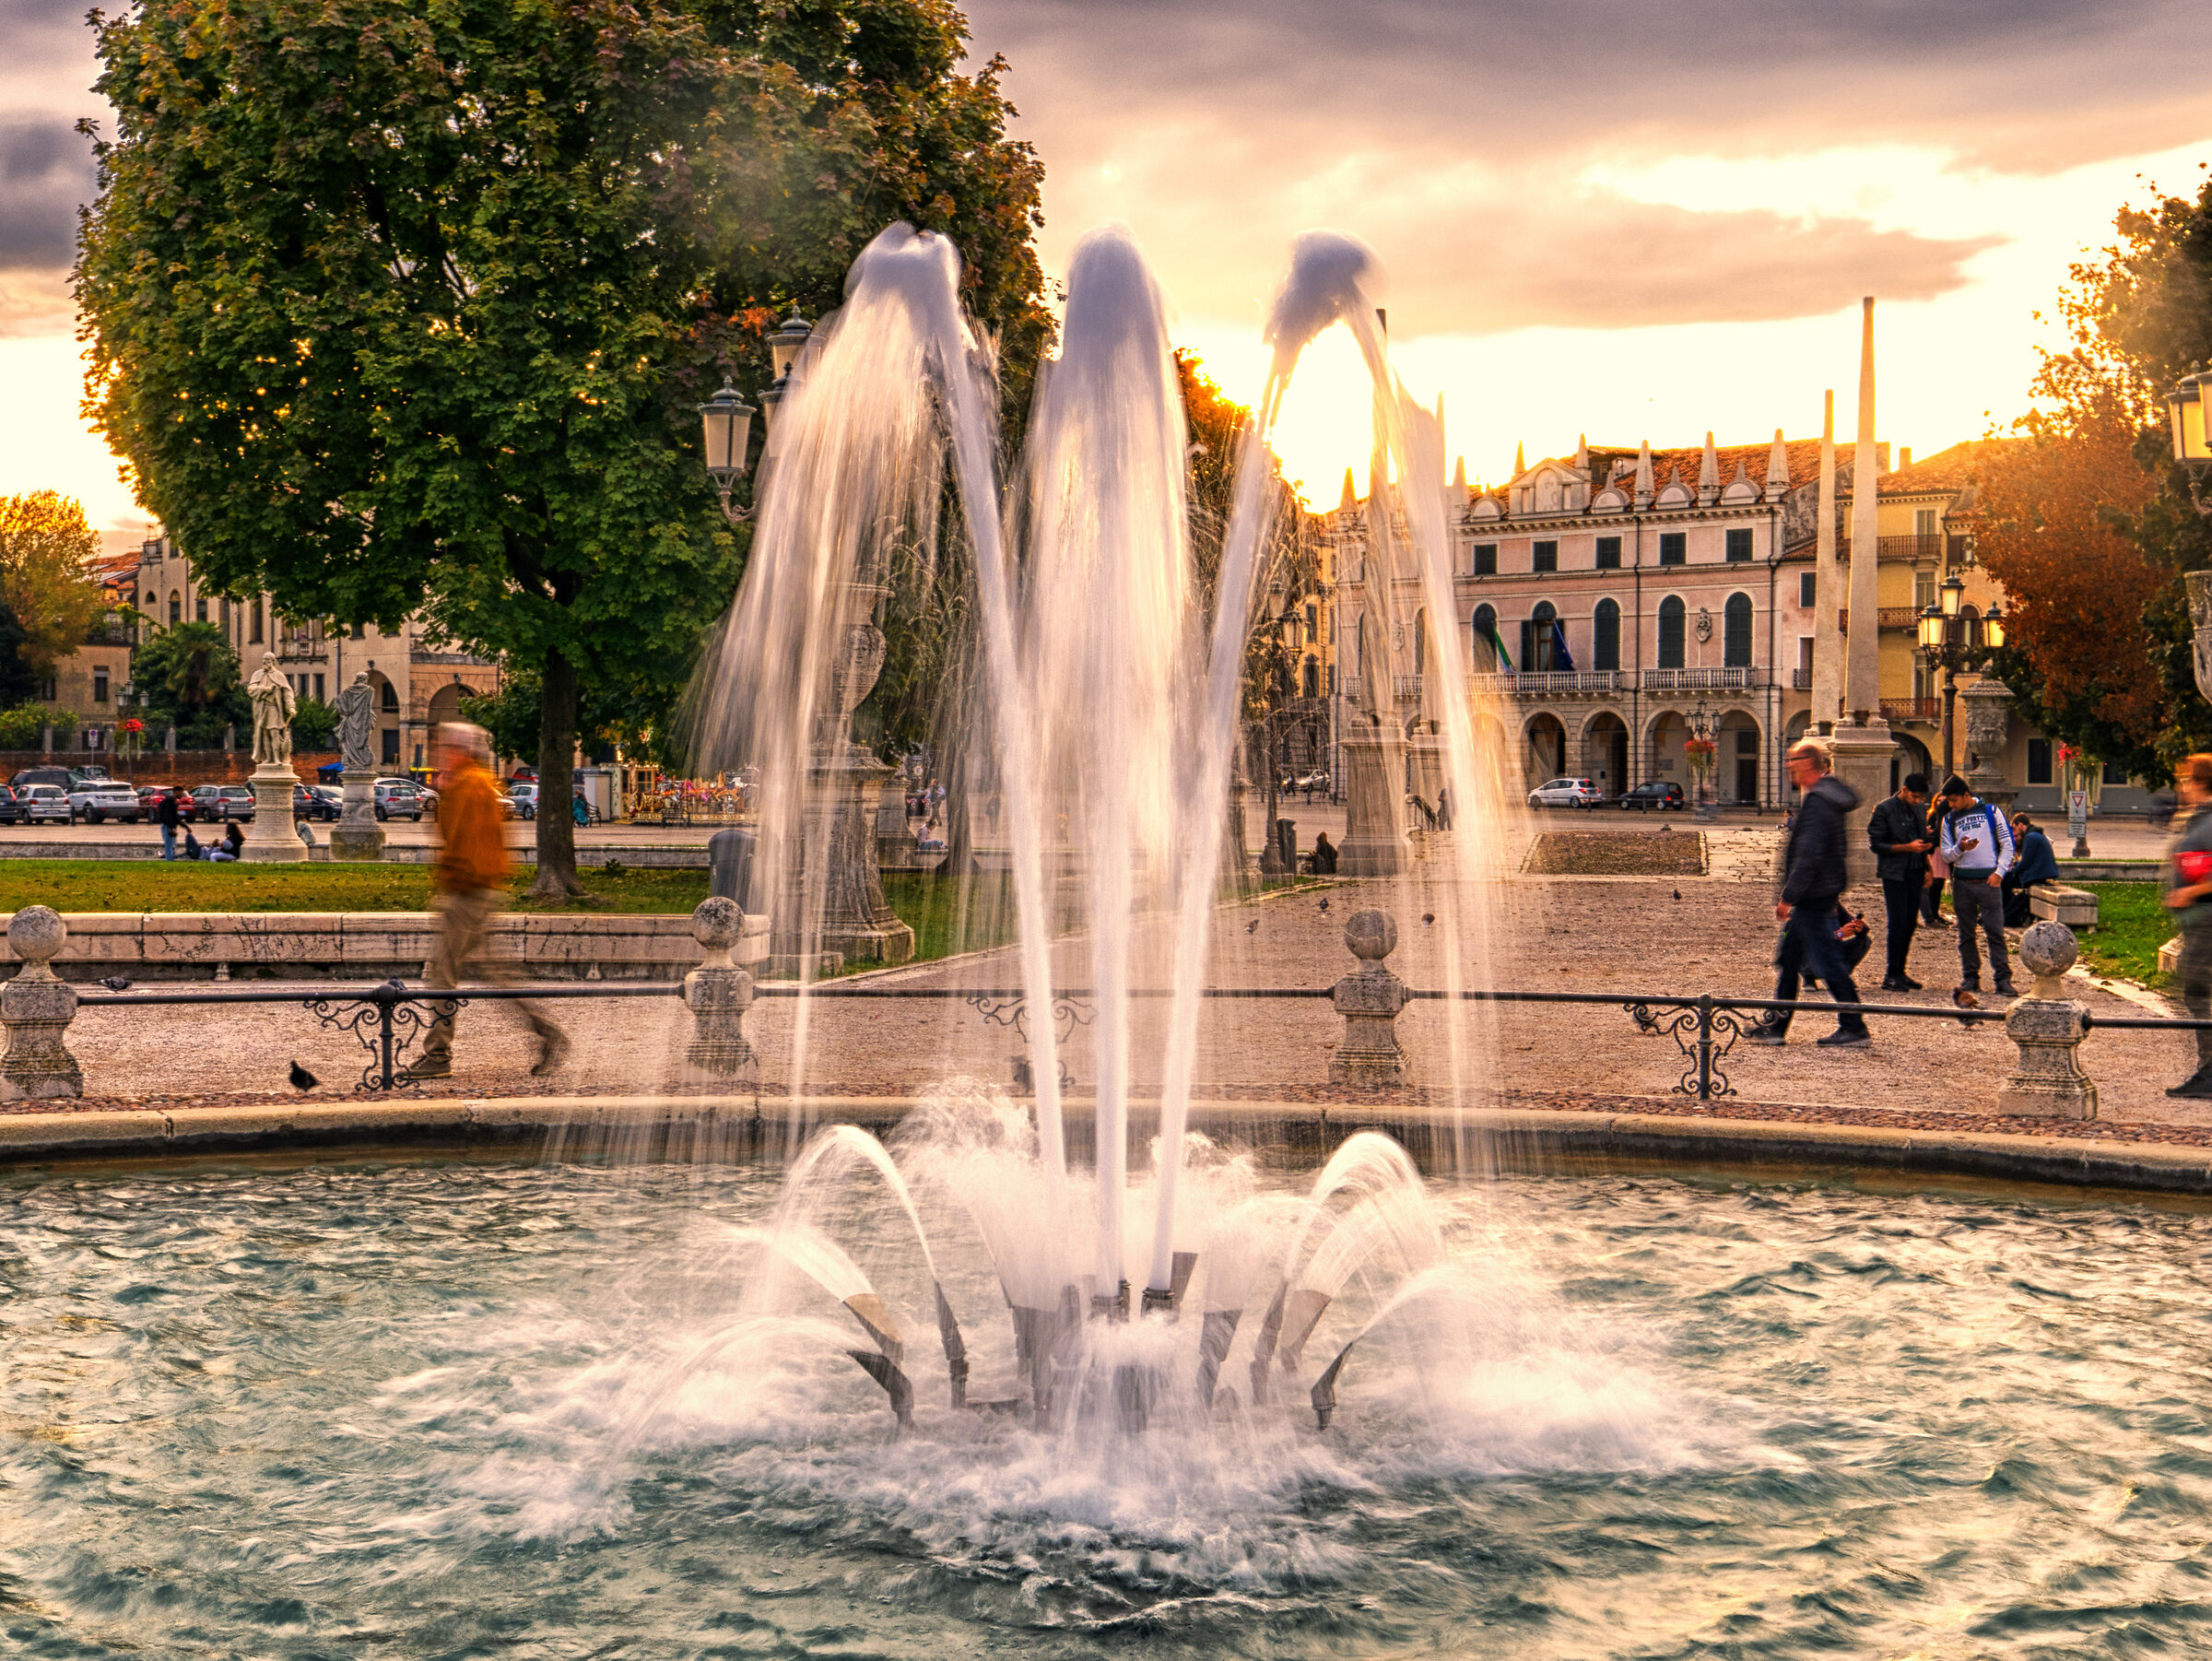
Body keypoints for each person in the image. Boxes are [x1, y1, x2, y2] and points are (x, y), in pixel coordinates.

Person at [405, 723, 569, 1080]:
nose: (440, 752)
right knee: (496, 974)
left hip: (468, 891)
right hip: (473, 889)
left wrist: (454, 887)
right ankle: (547, 1034)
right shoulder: (468, 782)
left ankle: (438, 1055)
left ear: (462, 749)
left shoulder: (473, 785)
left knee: (442, 974)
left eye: (446, 746)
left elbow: (468, 844)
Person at [1747, 740, 1868, 1046]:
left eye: (1793, 759)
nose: (1788, 765)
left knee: (1827, 963)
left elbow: (1809, 854)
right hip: (1817, 893)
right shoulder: (1823, 797)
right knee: (1790, 961)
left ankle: (1854, 1027)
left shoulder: (1819, 802)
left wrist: (1789, 896)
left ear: (1809, 762)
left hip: (1813, 897)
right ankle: (1776, 1027)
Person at [1935, 773, 2015, 995]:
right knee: (1966, 933)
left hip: (1989, 881)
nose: (1951, 805)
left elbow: (2007, 844)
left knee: (1995, 932)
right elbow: (1946, 855)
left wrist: (1999, 873)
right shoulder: (1949, 820)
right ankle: (1970, 977)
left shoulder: (1991, 812)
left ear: (1966, 795)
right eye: (1949, 801)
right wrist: (1961, 848)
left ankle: (2002, 978)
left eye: (1954, 800)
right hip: (1963, 882)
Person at [2164, 755, 2212, 1098]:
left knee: (2196, 993)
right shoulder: (2198, 819)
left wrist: (2189, 891)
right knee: (2196, 991)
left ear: (2200, 782)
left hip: (2206, 918)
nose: (2181, 784)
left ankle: (2209, 1070)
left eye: (2185, 778)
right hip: (2197, 921)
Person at [1867, 772, 1932, 991]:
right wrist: (1907, 848)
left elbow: (1921, 838)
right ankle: (1891, 974)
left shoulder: (1919, 809)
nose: (1917, 801)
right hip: (1894, 873)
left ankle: (1900, 971)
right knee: (1897, 924)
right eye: (1914, 796)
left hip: (1914, 870)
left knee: (1909, 923)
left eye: (1920, 798)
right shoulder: (1884, 809)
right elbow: (1876, 845)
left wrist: (1927, 866)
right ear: (1903, 789)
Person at [2002, 813, 2058, 927]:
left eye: (2014, 828)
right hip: (2041, 873)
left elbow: (2026, 861)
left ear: (2020, 825)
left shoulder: (2030, 837)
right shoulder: (2036, 835)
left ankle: (2003, 912)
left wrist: (2013, 870)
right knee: (2007, 880)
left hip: (2038, 875)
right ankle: (2005, 912)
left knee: (2005, 880)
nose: (2014, 832)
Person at [1920, 791, 1950, 928]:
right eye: (1939, 800)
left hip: (1941, 851)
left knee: (1939, 884)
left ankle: (1935, 913)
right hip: (1935, 851)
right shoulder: (1932, 816)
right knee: (1934, 884)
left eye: (1943, 800)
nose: (1941, 803)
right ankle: (1931, 914)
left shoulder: (1946, 816)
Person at [155, 786, 182, 860]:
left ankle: (171, 858)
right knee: (169, 845)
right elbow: (168, 816)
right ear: (176, 792)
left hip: (170, 826)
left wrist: (185, 826)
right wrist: (171, 827)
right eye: (181, 793)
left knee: (172, 845)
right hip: (168, 826)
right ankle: (169, 860)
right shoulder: (170, 801)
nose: (182, 795)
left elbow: (175, 817)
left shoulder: (171, 801)